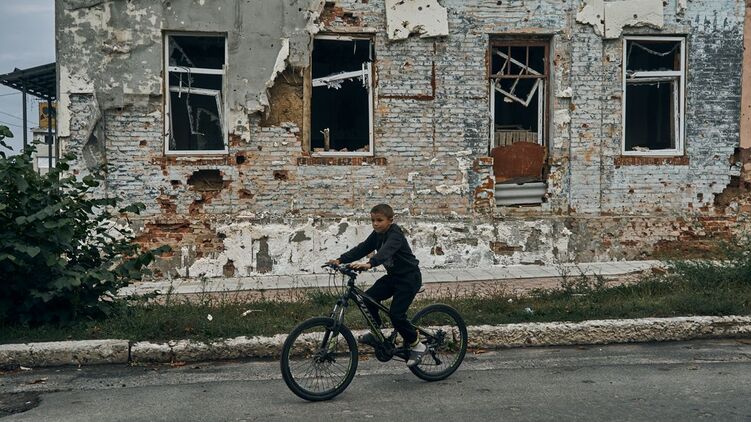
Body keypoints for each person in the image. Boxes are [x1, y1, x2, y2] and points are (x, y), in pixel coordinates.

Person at [328, 203, 425, 367]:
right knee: (367, 299)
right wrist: (340, 259)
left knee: (396, 315)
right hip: (393, 277)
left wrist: (370, 263)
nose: (375, 224)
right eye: (373, 220)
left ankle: (417, 345)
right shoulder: (377, 234)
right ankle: (376, 333)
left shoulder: (395, 234)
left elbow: (386, 251)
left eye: (379, 220)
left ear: (390, 220)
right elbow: (362, 248)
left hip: (409, 279)